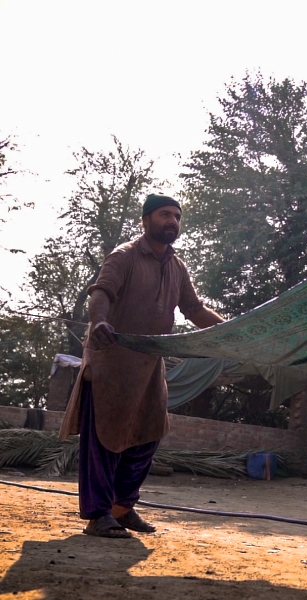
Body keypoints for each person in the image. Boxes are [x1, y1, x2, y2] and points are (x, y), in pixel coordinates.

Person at [59, 193, 224, 539]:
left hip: (150, 368)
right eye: (165, 215)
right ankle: (98, 515)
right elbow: (100, 293)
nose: (172, 222)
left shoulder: (177, 267)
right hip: (111, 364)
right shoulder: (124, 256)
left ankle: (122, 508)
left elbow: (194, 310)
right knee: (104, 441)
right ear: (145, 220)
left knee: (148, 436)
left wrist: (232, 334)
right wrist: (100, 322)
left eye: (177, 217)